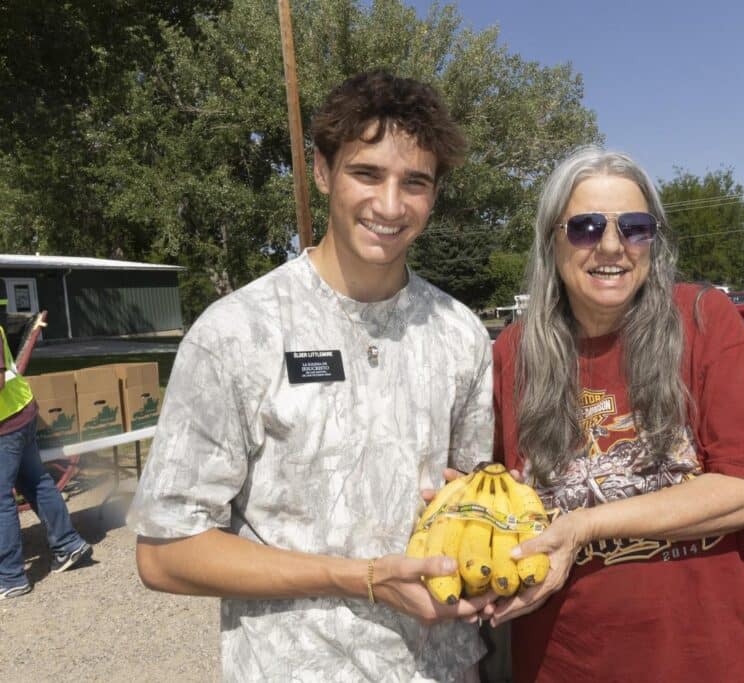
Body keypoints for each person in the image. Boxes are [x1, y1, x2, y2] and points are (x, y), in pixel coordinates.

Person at [127, 71, 495, 681]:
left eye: (415, 182)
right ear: (322, 172)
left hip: (441, 668)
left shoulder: (461, 334)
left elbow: (474, 507)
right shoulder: (238, 332)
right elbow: (165, 553)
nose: (390, 205)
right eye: (367, 174)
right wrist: (362, 578)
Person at [489, 146, 744, 681]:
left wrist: (585, 525)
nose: (611, 246)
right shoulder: (514, 352)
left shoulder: (704, 320)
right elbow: (507, 492)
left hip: (719, 660)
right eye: (586, 227)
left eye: (634, 228)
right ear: (551, 240)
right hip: (572, 661)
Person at [0, 323, 92, 600]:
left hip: (6, 423)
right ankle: (68, 544)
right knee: (35, 481)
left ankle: (11, 577)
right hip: (20, 413)